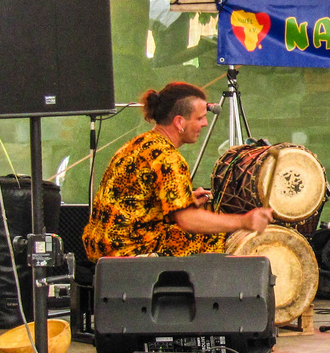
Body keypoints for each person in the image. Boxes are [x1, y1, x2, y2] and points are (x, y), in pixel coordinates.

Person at [83, 82, 271, 261]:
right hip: (129, 250)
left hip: (102, 244)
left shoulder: (138, 144)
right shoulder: (168, 158)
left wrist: (186, 199)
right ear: (179, 122)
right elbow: (187, 220)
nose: (205, 123)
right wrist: (243, 222)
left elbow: (139, 205)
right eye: (199, 118)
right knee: (215, 237)